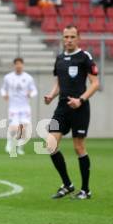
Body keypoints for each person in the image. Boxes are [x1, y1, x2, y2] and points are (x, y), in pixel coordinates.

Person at [44, 25, 99, 200]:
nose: (68, 40)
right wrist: (51, 95)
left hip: (80, 108)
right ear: (62, 38)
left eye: (72, 37)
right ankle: (67, 184)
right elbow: (59, 83)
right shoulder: (59, 58)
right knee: (50, 144)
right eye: (66, 37)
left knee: (78, 147)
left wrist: (80, 100)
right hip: (62, 108)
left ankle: (85, 190)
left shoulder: (85, 57)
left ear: (78, 38)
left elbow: (95, 83)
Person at [0, 58, 38, 156]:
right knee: (14, 127)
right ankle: (9, 143)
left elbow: (34, 91)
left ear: (23, 65)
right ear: (14, 65)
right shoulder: (8, 77)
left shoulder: (28, 78)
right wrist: (4, 95)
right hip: (13, 107)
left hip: (25, 107)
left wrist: (31, 94)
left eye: (20, 64)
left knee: (23, 128)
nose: (18, 66)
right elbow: (3, 89)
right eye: (17, 64)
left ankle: (20, 148)